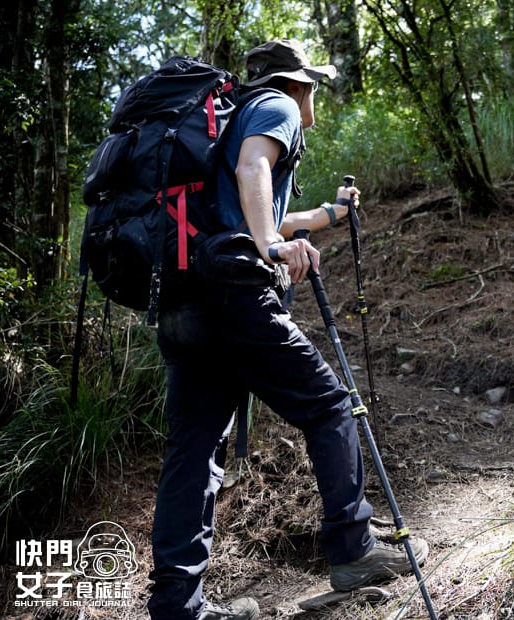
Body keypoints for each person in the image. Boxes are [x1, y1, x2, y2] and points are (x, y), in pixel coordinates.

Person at [146, 39, 428, 620]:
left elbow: (251, 208)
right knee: (329, 407)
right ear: (296, 83)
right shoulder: (275, 107)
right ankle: (355, 549)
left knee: (193, 452)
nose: (315, 94)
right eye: (313, 83)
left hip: (183, 302)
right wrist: (273, 245)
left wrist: (325, 216)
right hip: (236, 297)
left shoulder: (221, 122)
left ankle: (178, 605)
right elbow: (255, 172)